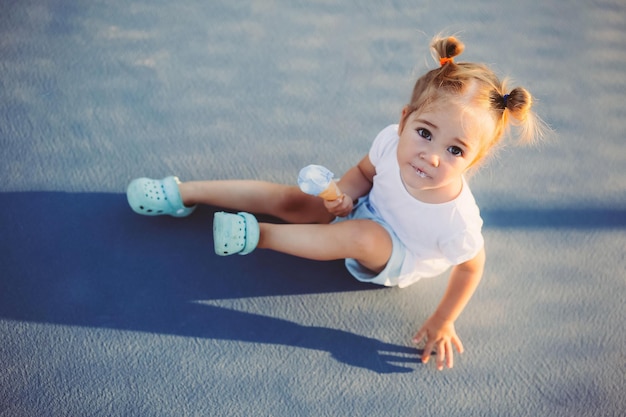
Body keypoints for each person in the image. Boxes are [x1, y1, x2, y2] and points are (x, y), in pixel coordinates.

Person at [126, 35, 544, 371]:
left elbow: (471, 266)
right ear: (403, 121)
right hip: (365, 209)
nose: (431, 155)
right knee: (297, 199)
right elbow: (363, 173)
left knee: (360, 235)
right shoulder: (388, 141)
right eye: (425, 133)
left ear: (474, 161)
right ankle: (183, 193)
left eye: (455, 151)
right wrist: (343, 194)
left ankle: (256, 235)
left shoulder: (458, 220)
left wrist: (444, 317)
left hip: (397, 255)